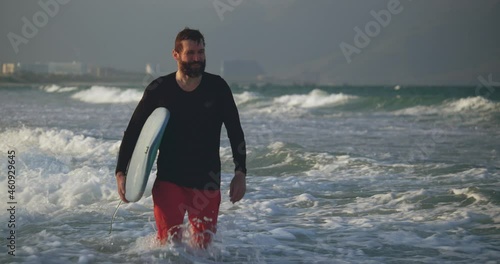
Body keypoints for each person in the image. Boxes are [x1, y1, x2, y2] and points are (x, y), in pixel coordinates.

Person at [114, 27, 247, 248]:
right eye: (191, 53)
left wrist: (240, 172)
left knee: (203, 250)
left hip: (207, 182)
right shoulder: (159, 88)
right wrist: (121, 170)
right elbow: (135, 130)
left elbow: (235, 131)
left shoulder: (218, 88)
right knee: (169, 248)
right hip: (169, 180)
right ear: (176, 55)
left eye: (201, 52)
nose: (197, 58)